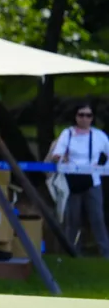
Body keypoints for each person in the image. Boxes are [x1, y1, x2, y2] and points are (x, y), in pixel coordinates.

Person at [49, 103, 109, 258]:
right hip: (71, 182)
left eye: (88, 115)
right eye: (81, 115)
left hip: (93, 181)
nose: (84, 118)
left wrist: (102, 168)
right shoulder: (67, 134)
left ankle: (106, 254)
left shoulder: (99, 136)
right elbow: (57, 155)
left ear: (92, 118)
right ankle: (72, 253)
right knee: (72, 220)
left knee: (97, 219)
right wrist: (62, 159)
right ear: (75, 117)